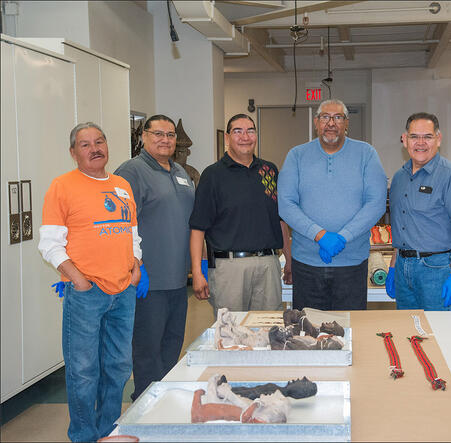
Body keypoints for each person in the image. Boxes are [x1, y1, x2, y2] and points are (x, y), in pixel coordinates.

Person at [38, 122, 142, 442]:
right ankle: (83, 435)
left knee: (119, 368)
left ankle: (108, 430)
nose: (94, 148)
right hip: (86, 293)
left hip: (123, 290)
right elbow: (49, 243)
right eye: (85, 145)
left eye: (99, 141)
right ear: (73, 153)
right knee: (83, 372)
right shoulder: (63, 186)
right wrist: (79, 280)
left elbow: (131, 233)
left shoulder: (122, 184)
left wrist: (136, 266)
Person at [114, 115, 195, 401]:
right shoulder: (131, 171)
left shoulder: (180, 172)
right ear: (144, 137)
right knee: (148, 349)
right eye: (158, 133)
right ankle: (146, 406)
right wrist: (137, 265)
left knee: (172, 344)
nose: (165, 139)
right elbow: (120, 223)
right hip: (148, 281)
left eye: (170, 134)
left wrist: (200, 266)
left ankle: (165, 404)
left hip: (177, 279)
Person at [278, 99, 387, 311]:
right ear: (316, 122)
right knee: (308, 331)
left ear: (346, 123)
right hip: (307, 264)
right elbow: (286, 204)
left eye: (338, 118)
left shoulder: (366, 154)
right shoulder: (296, 156)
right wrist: (320, 235)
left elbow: (376, 203)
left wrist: (343, 236)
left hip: (352, 263)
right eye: (325, 117)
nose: (331, 123)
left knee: (350, 328)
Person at [189, 113, 292, 316]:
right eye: (238, 131)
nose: (245, 136)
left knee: (268, 331)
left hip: (268, 265)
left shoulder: (269, 171)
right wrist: (197, 272)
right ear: (227, 137)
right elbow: (198, 227)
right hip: (229, 268)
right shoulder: (213, 175)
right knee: (230, 336)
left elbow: (280, 220)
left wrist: (289, 260)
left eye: (250, 131)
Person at [386, 112, 451, 311]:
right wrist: (393, 266)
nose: (421, 143)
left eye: (428, 136)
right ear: (404, 139)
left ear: (438, 139)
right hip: (402, 267)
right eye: (414, 137)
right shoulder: (399, 177)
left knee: (439, 334)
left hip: (436, 269)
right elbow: (403, 225)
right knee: (410, 332)